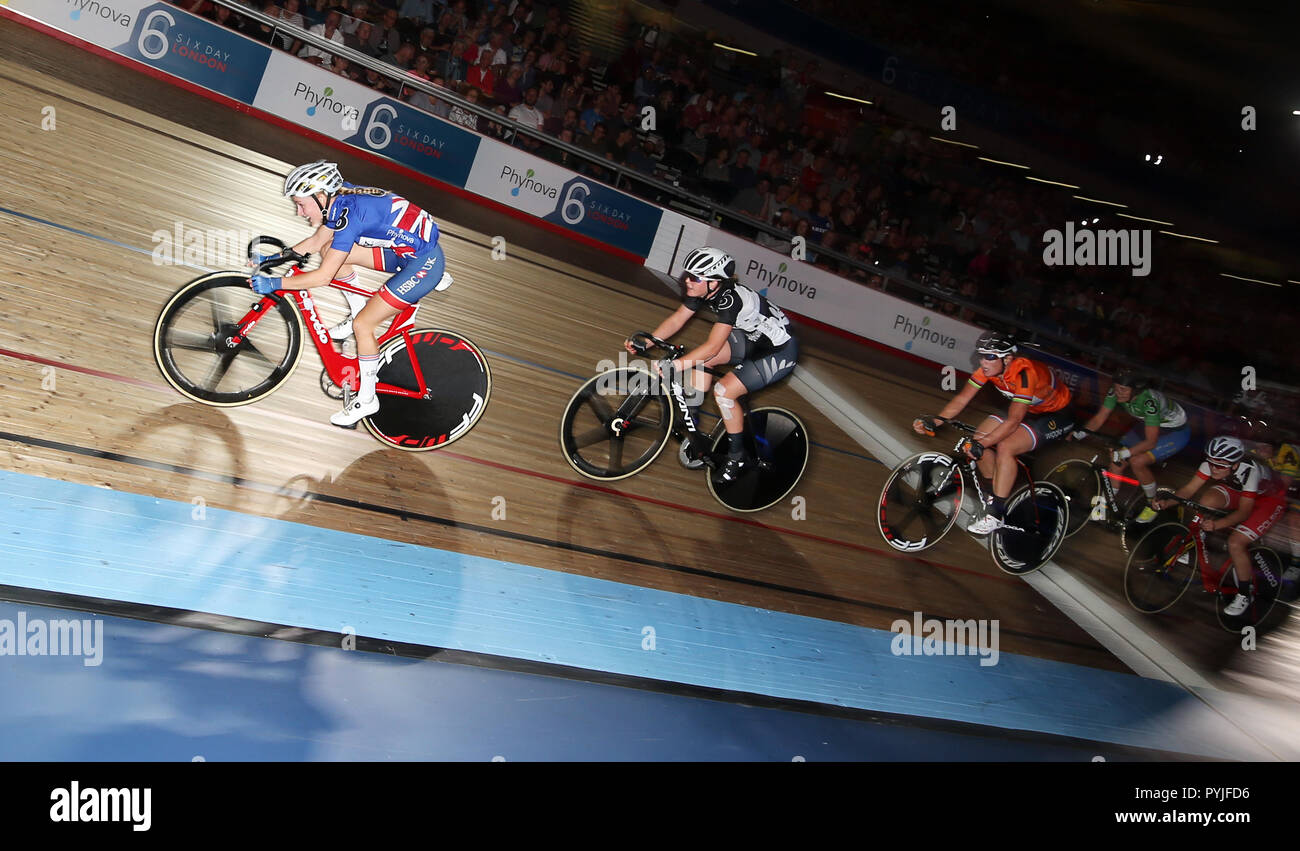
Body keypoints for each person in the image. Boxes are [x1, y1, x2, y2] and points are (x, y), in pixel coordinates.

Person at [248, 162, 452, 427]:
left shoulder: (350, 216)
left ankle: (367, 399)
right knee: (329, 251)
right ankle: (358, 308)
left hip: (422, 263)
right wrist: (272, 258)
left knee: (363, 325)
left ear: (320, 196)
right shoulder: (339, 200)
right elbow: (315, 243)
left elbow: (323, 277)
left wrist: (276, 283)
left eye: (301, 204)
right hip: (402, 249)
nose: (299, 212)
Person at [627, 248, 799, 482]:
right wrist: (647, 343)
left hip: (779, 351)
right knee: (700, 360)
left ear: (714, 282)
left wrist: (675, 367)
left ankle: (737, 457)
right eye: (688, 274)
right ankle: (693, 422)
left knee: (724, 392)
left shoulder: (731, 300)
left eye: (695, 277)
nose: (688, 281)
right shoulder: (704, 290)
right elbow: (678, 319)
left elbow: (713, 347)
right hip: (753, 338)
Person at [914, 332, 1074, 534]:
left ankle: (997, 514)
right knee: (975, 441)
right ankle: (994, 492)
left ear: (1007, 358)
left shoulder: (1025, 372)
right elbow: (963, 399)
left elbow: (1015, 420)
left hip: (1057, 415)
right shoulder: (986, 370)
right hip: (1027, 409)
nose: (984, 361)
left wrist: (986, 443)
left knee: (1006, 447)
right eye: (981, 355)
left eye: (990, 356)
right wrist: (935, 421)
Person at [1153, 437, 1289, 616]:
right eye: (1211, 462)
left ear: (1234, 465)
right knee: (1206, 501)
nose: (1214, 468)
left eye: (1220, 465)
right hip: (1240, 491)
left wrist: (1216, 525)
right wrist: (1166, 503)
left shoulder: (1250, 471)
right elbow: (1188, 491)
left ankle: (1244, 594)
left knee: (1236, 542)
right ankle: (1195, 545)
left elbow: (1243, 512)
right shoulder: (1211, 465)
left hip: (1268, 501)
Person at [1073, 368, 1190, 523]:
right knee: (1116, 463)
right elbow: (1099, 418)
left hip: (1174, 433)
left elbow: (1151, 442)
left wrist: (1124, 453)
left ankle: (1152, 504)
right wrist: (1078, 434)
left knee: (1137, 461)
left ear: (1135, 391)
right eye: (1116, 387)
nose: (1118, 392)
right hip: (1148, 426)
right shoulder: (1116, 392)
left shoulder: (1149, 401)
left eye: (1123, 389)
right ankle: (1102, 506)